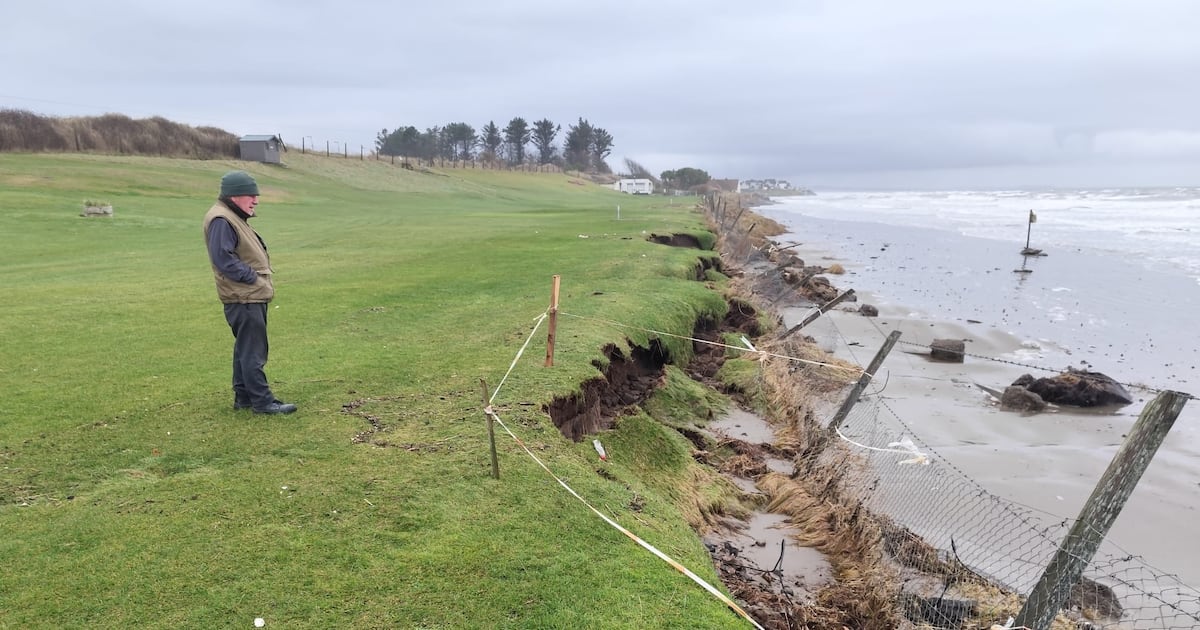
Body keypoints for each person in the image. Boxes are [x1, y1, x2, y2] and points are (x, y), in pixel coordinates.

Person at [202, 170, 297, 414]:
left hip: (247, 295)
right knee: (253, 350)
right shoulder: (222, 219)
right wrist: (252, 278)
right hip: (244, 295)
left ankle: (244, 397)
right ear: (234, 196)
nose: (255, 200)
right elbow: (224, 259)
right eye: (250, 195)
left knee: (245, 347)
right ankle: (262, 402)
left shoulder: (230, 217)